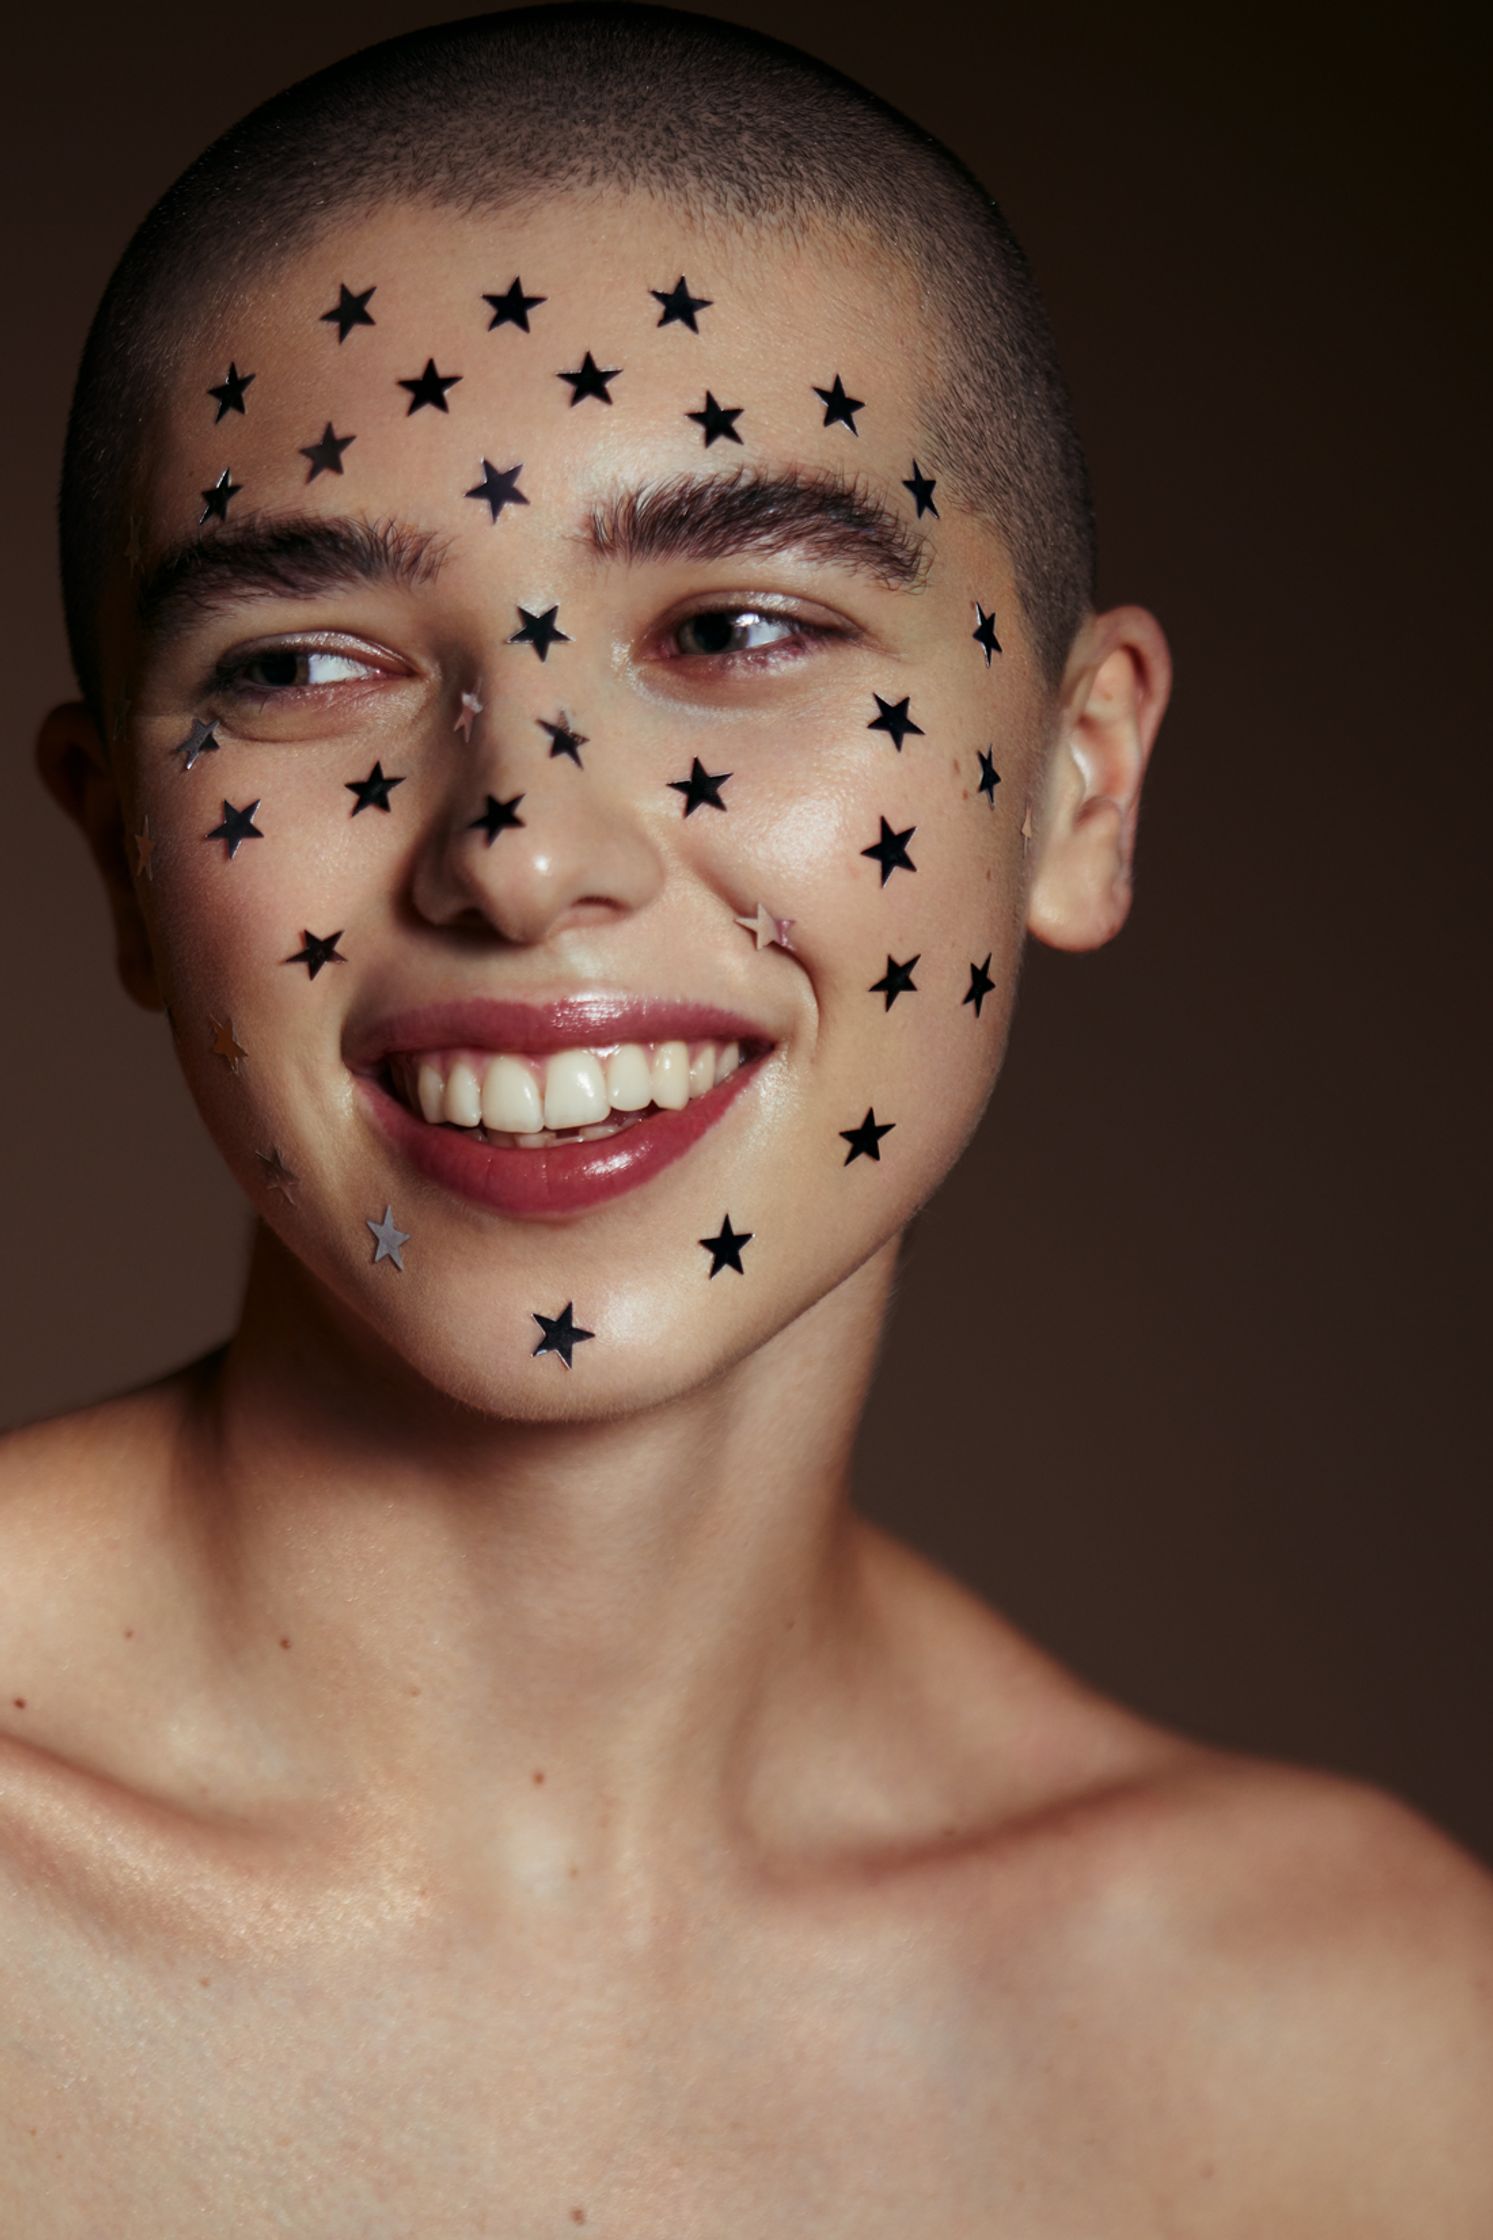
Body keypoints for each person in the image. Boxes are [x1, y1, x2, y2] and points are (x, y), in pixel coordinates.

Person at [4, 5, 1490, 2230]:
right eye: (303, 668)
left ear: (1081, 786)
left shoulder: (1364, 2050)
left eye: (738, 625)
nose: (521, 851)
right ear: (125, 850)